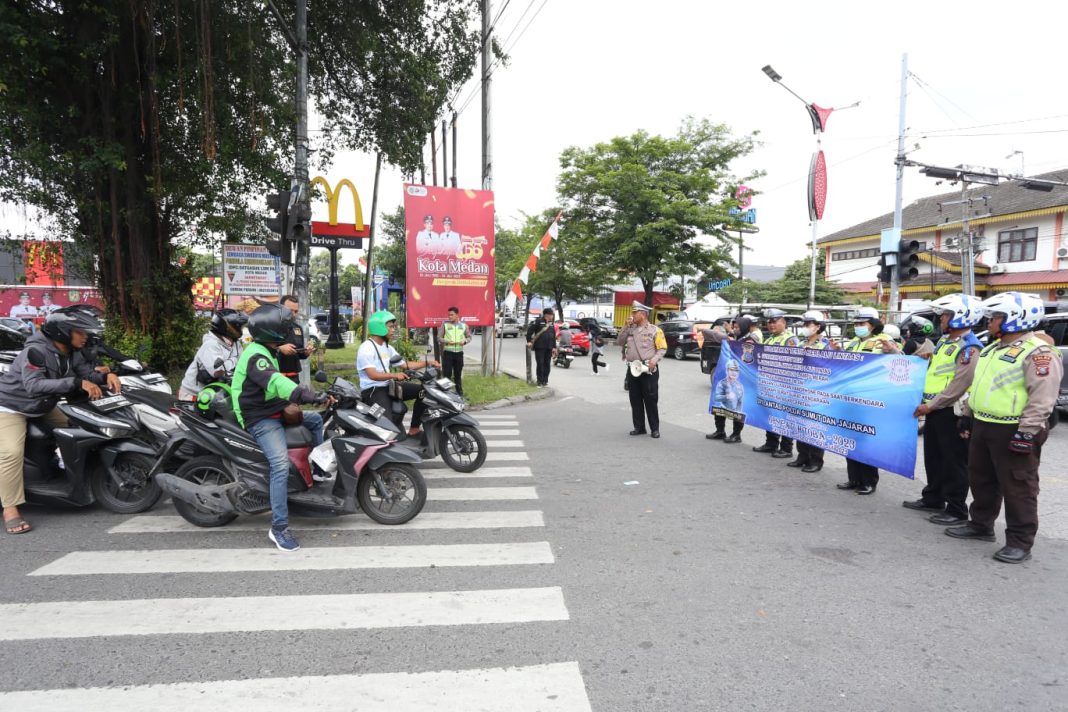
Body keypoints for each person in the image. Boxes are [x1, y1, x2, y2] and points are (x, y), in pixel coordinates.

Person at [946, 292, 1062, 564]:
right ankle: (981, 525)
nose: (990, 322)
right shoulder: (991, 348)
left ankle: (1020, 541)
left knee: (1018, 486)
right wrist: (968, 413)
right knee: (981, 478)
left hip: (1014, 428)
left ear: (1016, 319)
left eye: (997, 317)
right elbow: (980, 385)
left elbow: (1043, 396)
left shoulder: (1038, 353)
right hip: (985, 424)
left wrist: (1027, 432)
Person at [0, 306, 111, 534]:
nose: (85, 336)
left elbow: (84, 374)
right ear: (62, 332)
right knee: (11, 452)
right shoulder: (36, 352)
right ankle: (10, 509)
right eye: (79, 332)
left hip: (44, 405)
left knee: (85, 426)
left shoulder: (72, 351)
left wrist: (106, 376)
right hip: (13, 407)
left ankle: (75, 472)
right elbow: (33, 386)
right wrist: (75, 383)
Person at [231, 304, 331, 552]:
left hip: (272, 407)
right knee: (279, 466)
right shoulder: (256, 355)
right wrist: (305, 395)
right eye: (284, 328)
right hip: (259, 417)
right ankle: (279, 528)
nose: (288, 331)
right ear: (272, 332)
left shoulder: (267, 348)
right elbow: (276, 382)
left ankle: (315, 469)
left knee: (316, 421)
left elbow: (277, 382)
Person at [904, 293, 984, 525]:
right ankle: (933, 497)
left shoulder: (969, 348)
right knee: (934, 457)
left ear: (960, 317)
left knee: (953, 461)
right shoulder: (945, 342)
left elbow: (959, 385)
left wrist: (930, 406)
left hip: (950, 411)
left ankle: (956, 508)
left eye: (946, 315)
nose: (941, 319)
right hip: (934, 410)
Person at [837, 306, 899, 495]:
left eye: (861, 323)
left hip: (870, 398)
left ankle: (868, 481)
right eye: (856, 323)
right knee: (850, 439)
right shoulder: (853, 342)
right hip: (850, 398)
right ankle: (853, 478)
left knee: (866, 440)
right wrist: (837, 352)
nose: (858, 327)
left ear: (872, 325)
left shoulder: (884, 341)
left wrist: (893, 352)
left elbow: (904, 362)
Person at [357, 310, 439, 437]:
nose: (393, 330)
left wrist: (428, 363)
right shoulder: (366, 348)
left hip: (388, 386)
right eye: (390, 327)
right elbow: (372, 374)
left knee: (424, 391)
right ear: (379, 327)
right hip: (373, 390)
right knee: (386, 424)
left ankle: (414, 428)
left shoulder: (387, 347)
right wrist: (394, 375)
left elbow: (404, 364)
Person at [788, 310, 834, 473]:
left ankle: (815, 460)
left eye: (808, 325)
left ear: (818, 327)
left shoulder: (826, 345)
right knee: (799, 425)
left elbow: (831, 367)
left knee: (814, 427)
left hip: (817, 392)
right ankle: (802, 457)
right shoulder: (801, 344)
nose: (805, 327)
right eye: (804, 324)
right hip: (800, 391)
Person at [752, 308, 801, 458]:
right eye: (769, 322)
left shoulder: (790, 339)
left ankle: (786, 448)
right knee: (771, 414)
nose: (771, 325)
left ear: (783, 322)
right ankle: (771, 443)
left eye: (775, 321)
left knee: (785, 417)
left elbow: (795, 362)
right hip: (771, 385)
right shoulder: (769, 339)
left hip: (785, 386)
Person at [705, 315, 759, 443]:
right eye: (734, 327)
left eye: (738, 327)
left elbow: (750, 358)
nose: (735, 329)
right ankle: (720, 431)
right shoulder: (735, 338)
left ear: (745, 327)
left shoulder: (750, 340)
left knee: (738, 407)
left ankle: (736, 434)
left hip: (741, 379)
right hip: (726, 375)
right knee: (719, 404)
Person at [617, 301, 667, 438]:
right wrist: (625, 327)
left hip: (648, 369)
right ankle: (639, 427)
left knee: (650, 399)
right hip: (633, 368)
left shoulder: (655, 330)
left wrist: (654, 360)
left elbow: (662, 348)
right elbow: (619, 342)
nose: (632, 315)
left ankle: (655, 429)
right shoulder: (630, 329)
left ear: (643, 314)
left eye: (635, 312)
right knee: (635, 398)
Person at [178, 309, 248, 400]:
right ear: (230, 327)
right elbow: (217, 371)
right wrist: (235, 360)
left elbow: (243, 362)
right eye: (240, 327)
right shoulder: (210, 345)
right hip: (193, 394)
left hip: (216, 392)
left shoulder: (235, 343)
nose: (241, 329)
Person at [436, 306, 471, 396]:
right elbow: (439, 338)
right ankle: (445, 395)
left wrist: (465, 341)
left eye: (452, 315)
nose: (449, 317)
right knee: (447, 375)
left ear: (457, 315)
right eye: (449, 315)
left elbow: (469, 337)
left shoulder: (464, 325)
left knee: (457, 375)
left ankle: (459, 394)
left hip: (459, 354)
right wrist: (447, 341)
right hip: (448, 353)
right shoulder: (445, 325)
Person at [276, 294, 310, 384]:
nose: (293, 314)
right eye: (290, 311)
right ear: (280, 308)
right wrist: (279, 349)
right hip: (276, 377)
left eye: (296, 311)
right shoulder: (271, 326)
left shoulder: (298, 328)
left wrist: (305, 353)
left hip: (293, 377)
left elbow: (299, 354)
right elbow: (261, 350)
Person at [526, 308, 557, 387]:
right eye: (551, 315)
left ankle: (545, 381)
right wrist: (529, 341)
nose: (552, 316)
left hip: (549, 347)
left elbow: (553, 336)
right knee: (540, 363)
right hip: (540, 346)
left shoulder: (551, 323)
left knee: (547, 364)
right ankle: (539, 381)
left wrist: (554, 347)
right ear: (547, 315)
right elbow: (530, 331)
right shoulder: (538, 321)